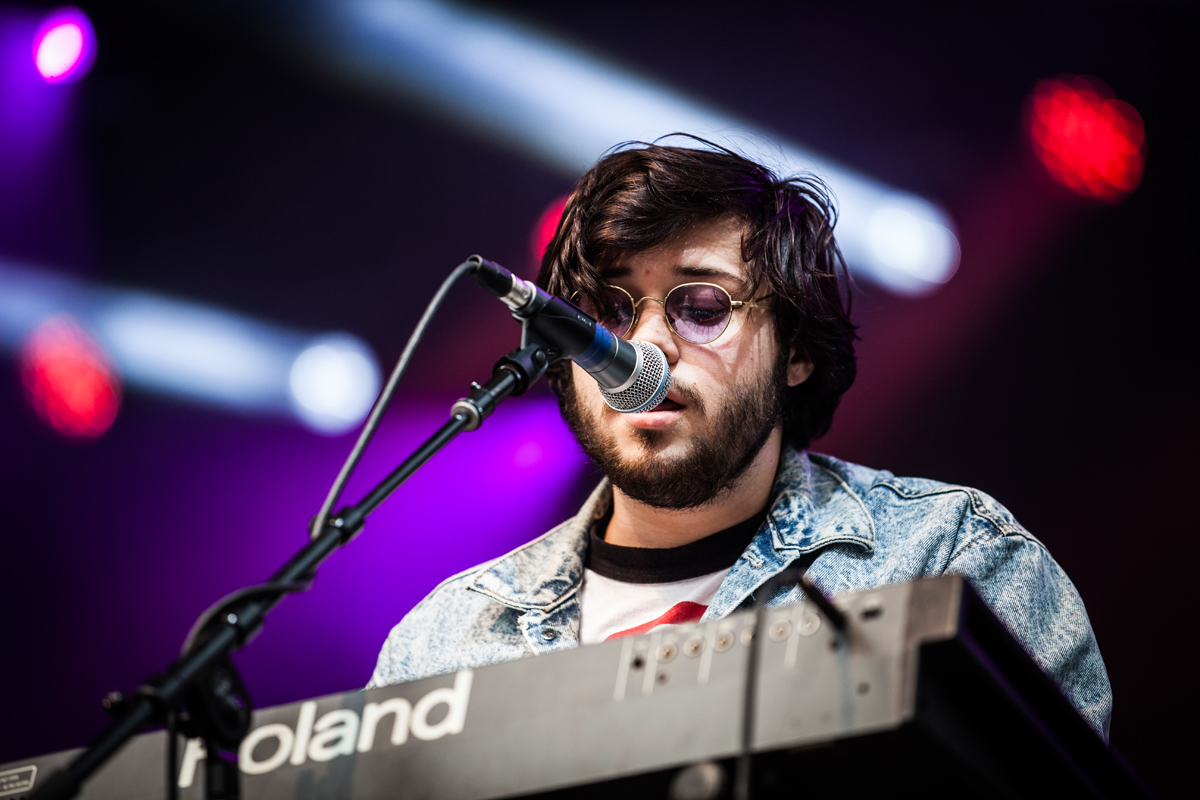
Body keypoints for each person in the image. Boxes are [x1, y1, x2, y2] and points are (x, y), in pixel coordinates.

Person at [369, 141, 1112, 739]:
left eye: (702, 305)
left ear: (795, 350)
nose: (647, 347)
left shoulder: (951, 563)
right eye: (611, 311)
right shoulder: (447, 641)